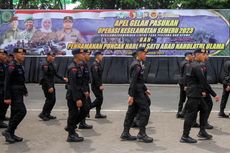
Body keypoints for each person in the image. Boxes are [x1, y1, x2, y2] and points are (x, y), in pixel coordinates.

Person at [180, 48, 220, 144]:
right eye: (202, 54)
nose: (204, 56)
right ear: (197, 55)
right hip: (194, 94)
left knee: (205, 108)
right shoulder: (197, 66)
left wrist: (187, 86)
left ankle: (202, 131)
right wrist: (214, 94)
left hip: (195, 93)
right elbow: (204, 82)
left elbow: (186, 77)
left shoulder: (191, 64)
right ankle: (185, 136)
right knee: (190, 115)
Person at [120, 47, 153, 143]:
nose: (146, 55)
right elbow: (133, 81)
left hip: (138, 91)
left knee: (131, 112)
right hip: (137, 93)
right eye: (144, 54)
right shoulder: (136, 65)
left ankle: (125, 133)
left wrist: (145, 89)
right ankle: (142, 134)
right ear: (139, 54)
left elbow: (139, 80)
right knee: (145, 111)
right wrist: (131, 95)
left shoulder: (138, 64)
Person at [2, 48, 28, 143]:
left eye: (24, 54)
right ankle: (8, 131)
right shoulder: (11, 66)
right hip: (14, 93)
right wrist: (7, 97)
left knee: (14, 113)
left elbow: (20, 79)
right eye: (21, 53)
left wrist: (24, 90)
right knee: (22, 111)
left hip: (19, 92)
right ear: (15, 54)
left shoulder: (19, 65)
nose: (23, 55)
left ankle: (11, 133)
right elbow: (7, 82)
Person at [65, 48, 89, 142]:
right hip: (73, 95)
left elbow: (82, 81)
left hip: (80, 93)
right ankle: (71, 135)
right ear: (76, 55)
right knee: (73, 114)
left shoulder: (79, 66)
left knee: (85, 110)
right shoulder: (73, 68)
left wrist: (85, 91)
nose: (83, 55)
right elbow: (73, 85)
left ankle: (71, 127)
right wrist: (77, 99)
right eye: (81, 54)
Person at [39, 52, 67, 121]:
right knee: (49, 100)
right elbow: (45, 77)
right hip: (46, 84)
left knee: (53, 100)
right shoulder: (45, 64)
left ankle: (48, 113)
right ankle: (42, 114)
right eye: (52, 56)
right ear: (48, 56)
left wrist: (62, 78)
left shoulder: (51, 64)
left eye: (54, 56)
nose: (53, 58)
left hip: (51, 84)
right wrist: (49, 87)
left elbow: (55, 73)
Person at [78, 49, 93, 129]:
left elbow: (86, 80)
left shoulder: (85, 64)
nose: (89, 56)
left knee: (86, 106)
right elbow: (81, 79)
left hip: (85, 88)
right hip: (82, 90)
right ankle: (76, 123)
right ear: (83, 54)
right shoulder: (81, 64)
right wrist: (84, 90)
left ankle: (82, 123)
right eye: (88, 54)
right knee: (84, 107)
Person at [177, 52, 193, 118]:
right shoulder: (187, 64)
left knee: (182, 98)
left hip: (181, 82)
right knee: (189, 98)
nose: (192, 57)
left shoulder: (182, 62)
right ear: (188, 56)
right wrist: (186, 85)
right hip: (185, 82)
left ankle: (179, 112)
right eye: (192, 56)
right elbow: (186, 75)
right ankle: (183, 113)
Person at [90, 51, 106, 118]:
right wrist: (99, 85)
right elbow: (95, 76)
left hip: (98, 84)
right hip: (95, 85)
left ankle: (98, 113)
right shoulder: (95, 65)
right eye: (101, 55)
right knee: (99, 99)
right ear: (97, 56)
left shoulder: (98, 64)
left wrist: (101, 84)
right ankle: (87, 108)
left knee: (100, 99)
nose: (102, 56)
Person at [0, 49, 8, 128]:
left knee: (4, 104)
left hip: (3, 88)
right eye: (2, 54)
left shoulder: (3, 64)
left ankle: (2, 117)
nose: (4, 56)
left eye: (5, 54)